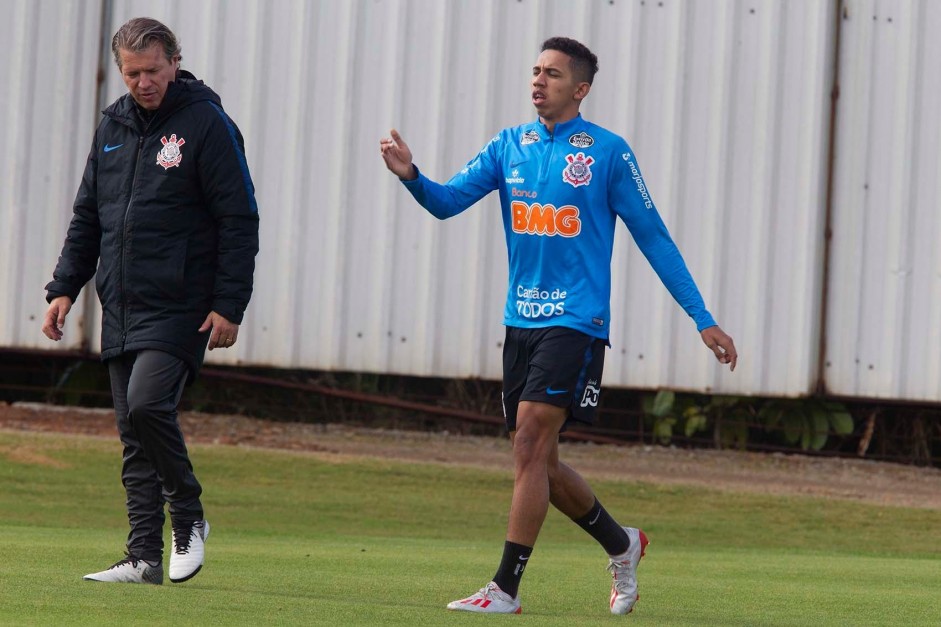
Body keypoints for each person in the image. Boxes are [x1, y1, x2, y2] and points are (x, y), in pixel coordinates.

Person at [380, 37, 736, 615]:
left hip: (576, 321)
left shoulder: (608, 153)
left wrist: (703, 319)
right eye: (535, 71)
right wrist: (411, 175)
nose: (538, 81)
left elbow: (654, 238)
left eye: (552, 73)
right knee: (538, 461)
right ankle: (623, 544)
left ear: (581, 89)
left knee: (528, 441)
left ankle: (505, 589)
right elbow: (446, 203)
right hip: (520, 320)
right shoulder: (508, 145)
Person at [41, 17, 259, 585]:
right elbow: (89, 215)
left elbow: (238, 219)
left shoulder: (207, 124)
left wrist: (229, 304)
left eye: (154, 70)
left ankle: (188, 515)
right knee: (133, 437)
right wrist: (65, 287)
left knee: (147, 406)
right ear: (121, 70)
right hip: (122, 302)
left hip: (182, 303)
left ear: (175, 63)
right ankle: (143, 557)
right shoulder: (112, 125)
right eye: (133, 73)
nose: (144, 82)